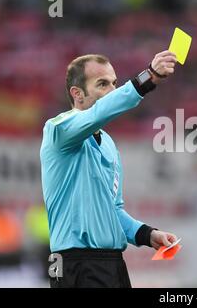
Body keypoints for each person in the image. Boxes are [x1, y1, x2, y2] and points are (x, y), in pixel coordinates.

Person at [40, 51, 178, 288]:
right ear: (77, 94)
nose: (113, 91)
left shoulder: (109, 145)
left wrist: (147, 234)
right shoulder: (57, 130)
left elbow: (112, 210)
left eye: (114, 83)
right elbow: (97, 113)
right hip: (73, 264)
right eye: (102, 84)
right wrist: (149, 77)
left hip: (111, 263)